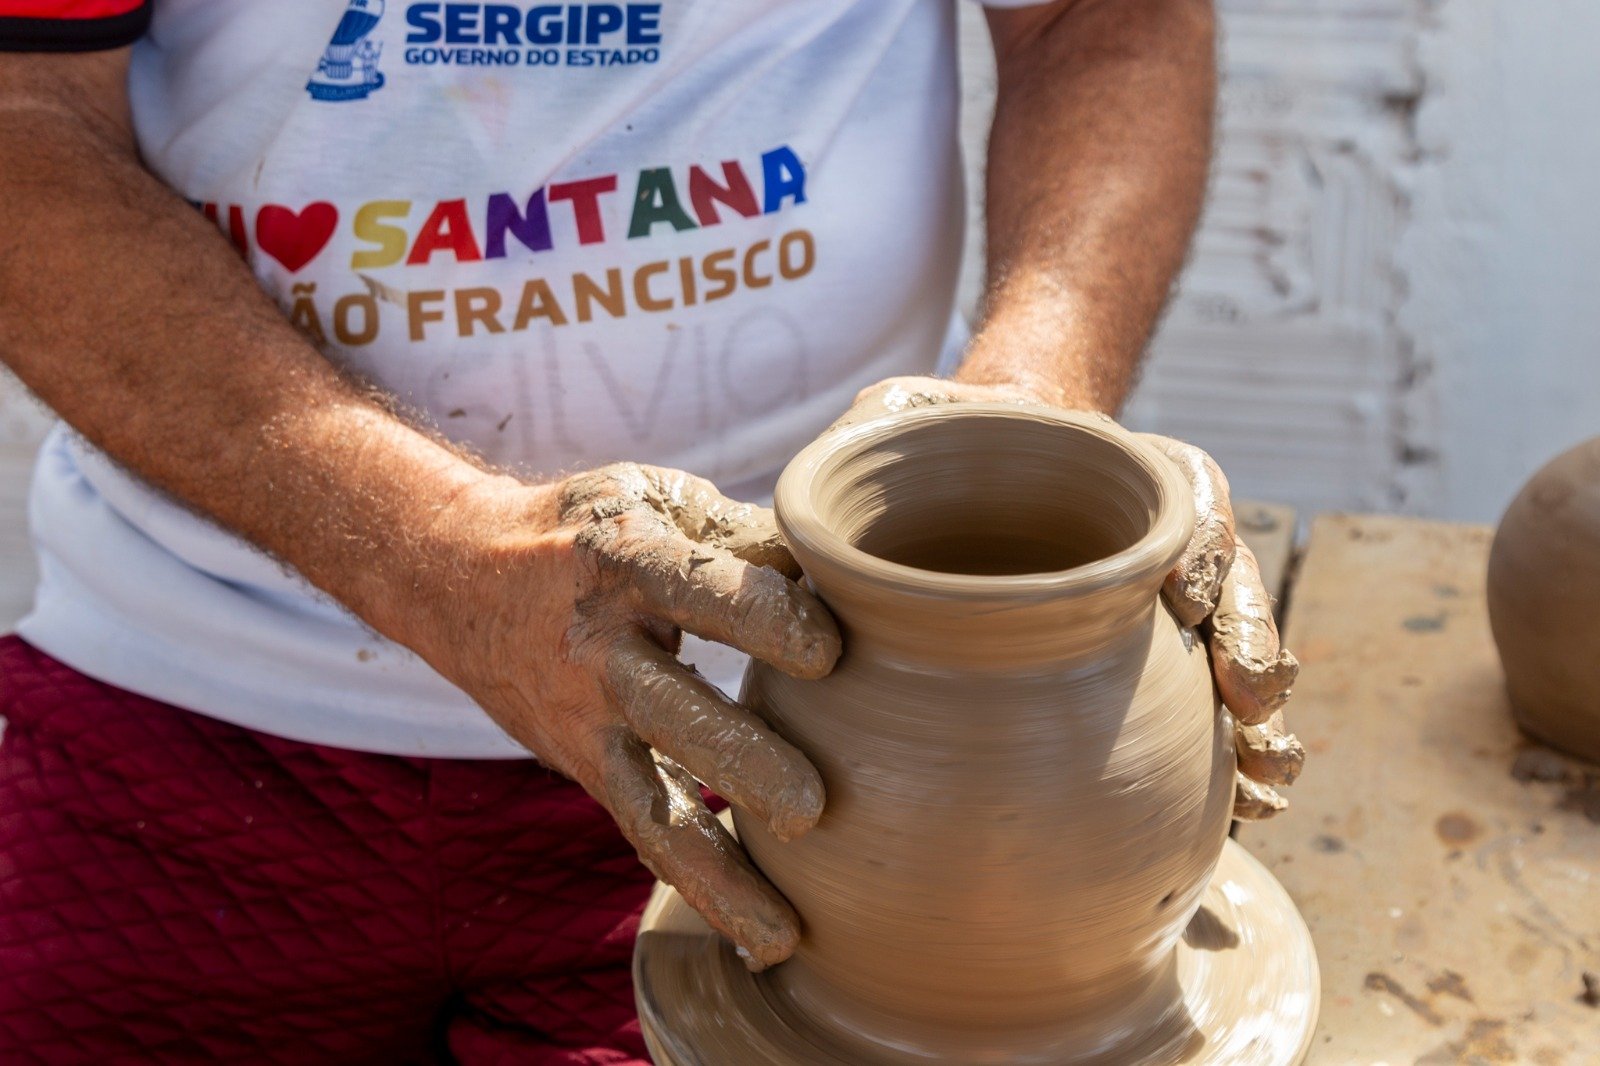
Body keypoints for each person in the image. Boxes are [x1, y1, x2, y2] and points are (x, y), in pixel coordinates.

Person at [0, 0, 1298, 1059]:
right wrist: (443, 558)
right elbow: (22, 122)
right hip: (188, 715)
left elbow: (1097, 18)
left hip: (789, 750)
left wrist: (1026, 421)